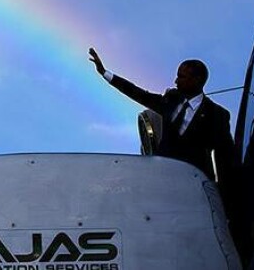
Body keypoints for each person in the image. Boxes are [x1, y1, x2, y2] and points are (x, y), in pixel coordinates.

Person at [88, 46, 237, 189]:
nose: (176, 81)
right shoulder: (171, 99)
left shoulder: (217, 115)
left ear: (196, 80)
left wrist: (224, 202)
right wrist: (105, 73)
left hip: (194, 186)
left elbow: (226, 163)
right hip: (162, 179)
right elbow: (139, 94)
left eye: (181, 77)